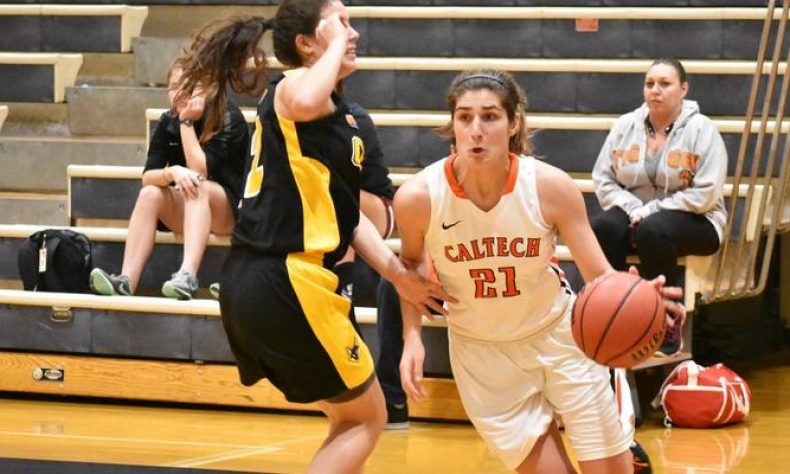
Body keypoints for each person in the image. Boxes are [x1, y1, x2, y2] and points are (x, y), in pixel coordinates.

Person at [173, 4, 452, 473]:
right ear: (308, 43)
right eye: (341, 23)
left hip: (264, 281)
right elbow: (303, 98)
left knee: (350, 419)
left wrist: (397, 275)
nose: (354, 33)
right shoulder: (295, 87)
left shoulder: (335, 117)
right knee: (366, 420)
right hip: (288, 279)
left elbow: (348, 217)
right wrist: (335, 43)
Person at [395, 69, 685, 473]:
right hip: (484, 356)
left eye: (490, 117)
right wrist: (412, 337)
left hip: (562, 339)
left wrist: (639, 296)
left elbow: (599, 274)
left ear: (513, 123)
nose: (476, 130)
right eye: (465, 117)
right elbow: (411, 269)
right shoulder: (418, 198)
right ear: (453, 124)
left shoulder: (550, 187)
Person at [591, 58, 727, 357]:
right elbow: (602, 179)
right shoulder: (625, 125)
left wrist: (650, 212)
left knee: (655, 231)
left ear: (683, 89)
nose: (655, 90)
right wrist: (632, 207)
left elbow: (706, 193)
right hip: (636, 212)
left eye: (665, 84)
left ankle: (668, 319)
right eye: (650, 84)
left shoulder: (702, 130)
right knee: (602, 227)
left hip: (698, 219)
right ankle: (613, 313)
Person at [89, 59, 249, 300]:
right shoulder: (167, 122)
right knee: (150, 193)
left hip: (230, 211)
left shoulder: (227, 116)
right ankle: (126, 281)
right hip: (191, 208)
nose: (180, 93)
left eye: (188, 86)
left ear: (204, 88)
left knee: (198, 186)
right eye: (174, 87)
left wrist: (186, 122)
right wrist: (171, 172)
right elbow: (147, 177)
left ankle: (187, 275)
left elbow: (200, 170)